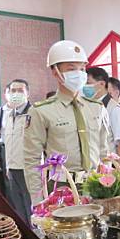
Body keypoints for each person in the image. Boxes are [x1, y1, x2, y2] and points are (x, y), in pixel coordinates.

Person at [24, 40, 110, 202]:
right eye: (71, 69)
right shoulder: (41, 111)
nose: (79, 73)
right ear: (55, 72)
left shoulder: (97, 107)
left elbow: (104, 151)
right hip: (61, 187)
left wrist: (108, 185)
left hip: (95, 184)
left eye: (82, 69)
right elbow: (32, 160)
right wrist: (38, 200)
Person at [84, 67, 120, 170]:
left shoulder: (114, 109)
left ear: (101, 84)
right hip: (93, 165)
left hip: (109, 167)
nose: (85, 87)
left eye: (88, 83)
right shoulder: (92, 105)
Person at [2, 79, 33, 224]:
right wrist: (7, 166)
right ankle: (26, 238)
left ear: (28, 93)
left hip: (29, 169)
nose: (16, 94)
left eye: (20, 90)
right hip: (12, 168)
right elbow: (9, 143)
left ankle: (37, 238)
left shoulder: (33, 113)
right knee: (18, 207)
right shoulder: (8, 115)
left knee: (31, 206)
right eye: (13, 90)